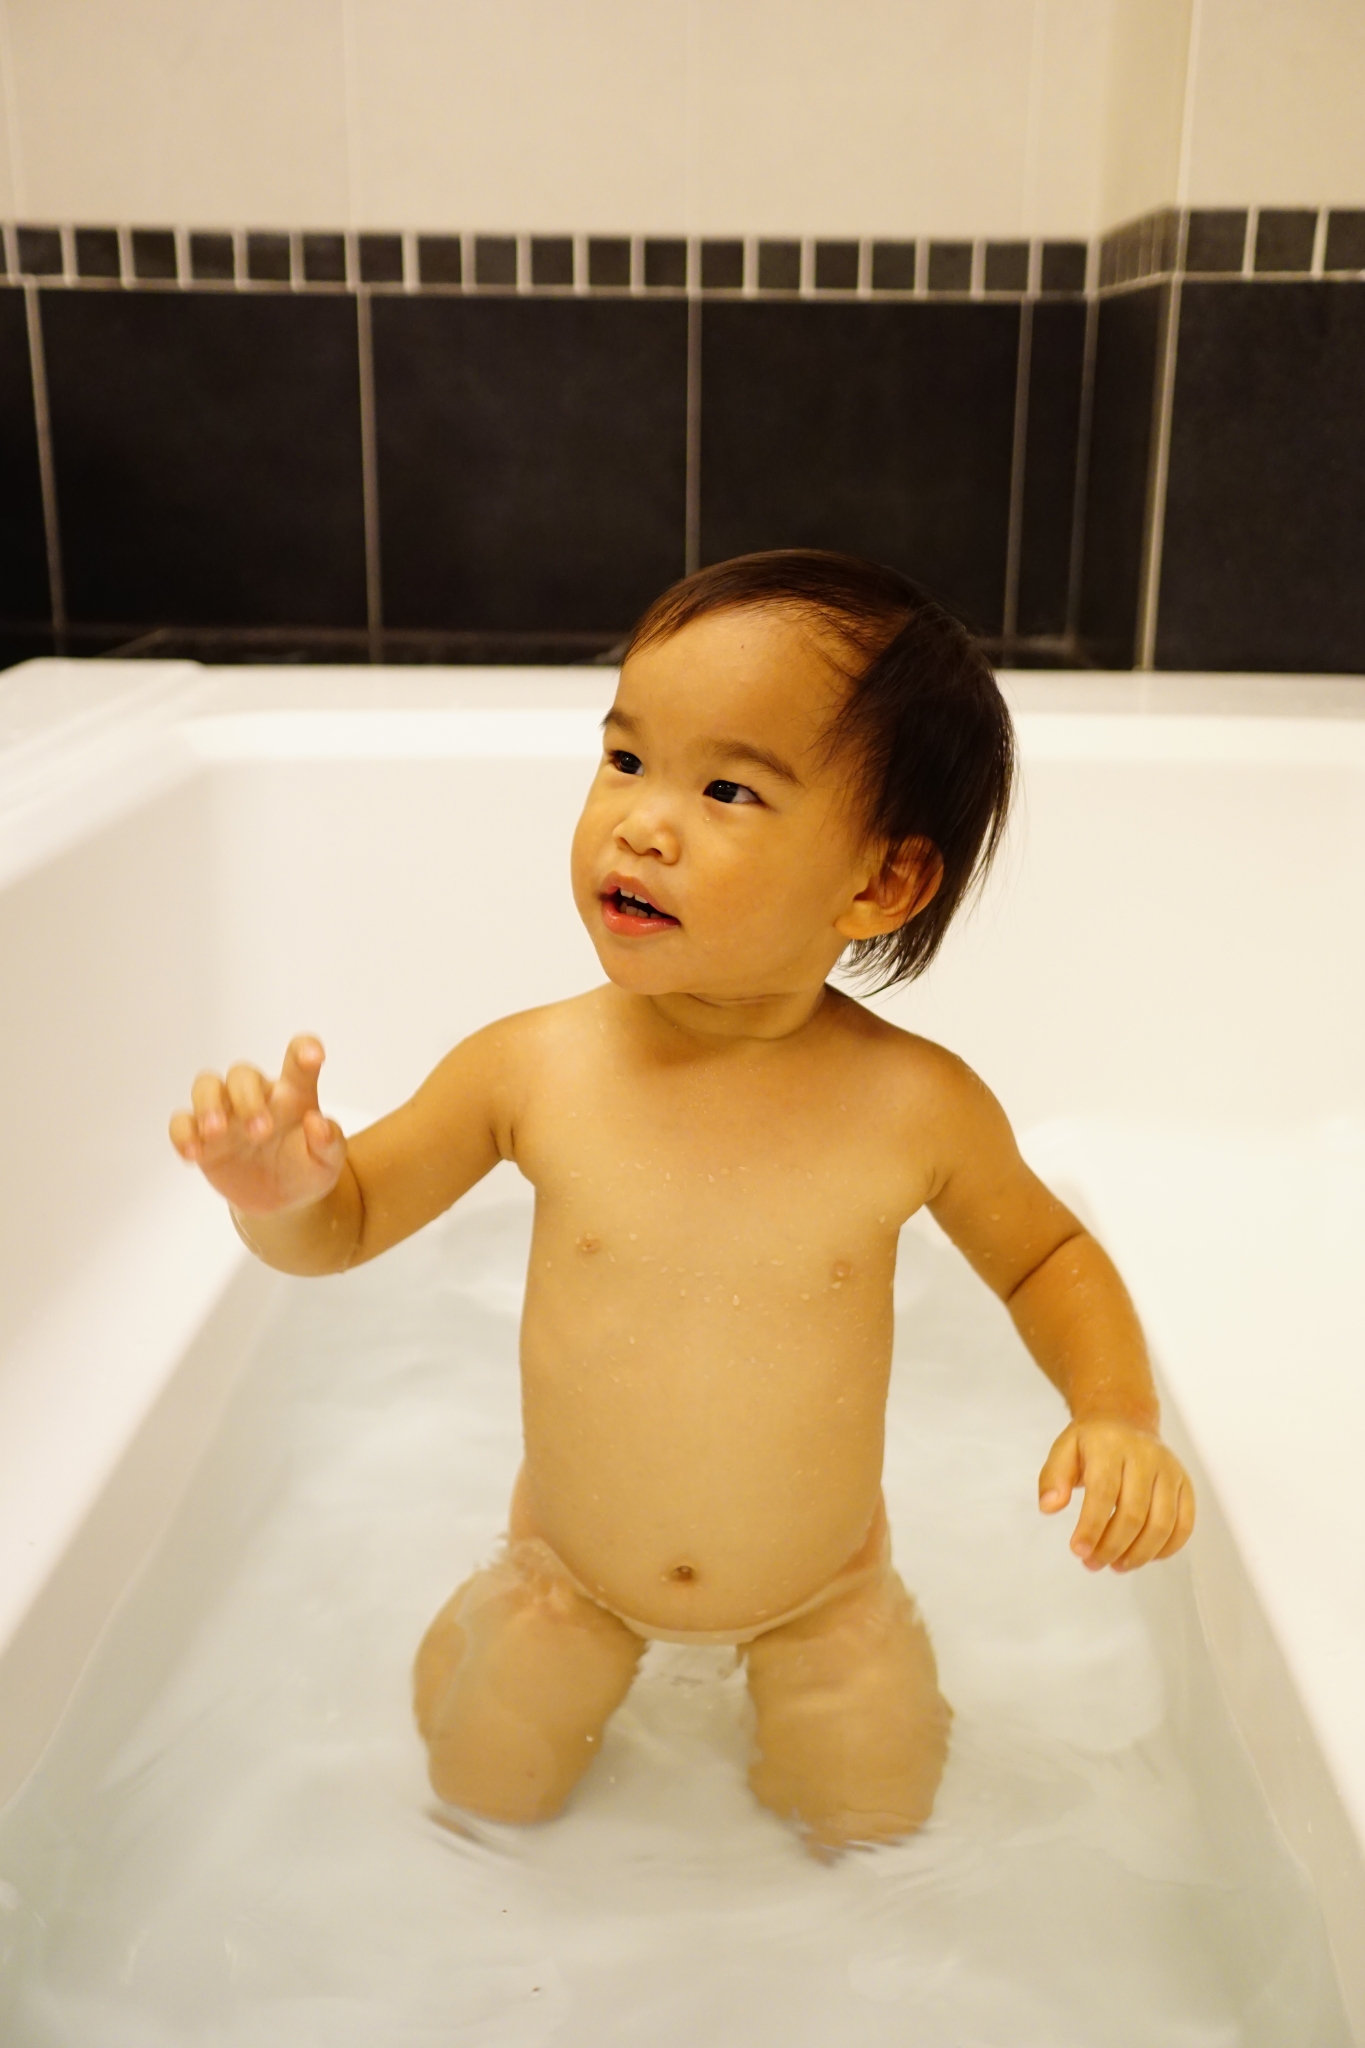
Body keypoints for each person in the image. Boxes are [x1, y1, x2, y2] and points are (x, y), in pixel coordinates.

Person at [169, 550, 1194, 1851]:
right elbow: (349, 1223)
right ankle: (484, 1626)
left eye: (725, 789)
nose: (643, 823)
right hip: (569, 1573)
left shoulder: (913, 1106)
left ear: (878, 883)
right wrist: (281, 1193)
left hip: (824, 1588)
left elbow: (1046, 1258)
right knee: (483, 1797)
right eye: (625, 759)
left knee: (875, 1822)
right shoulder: (531, 1068)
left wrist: (1116, 1413)